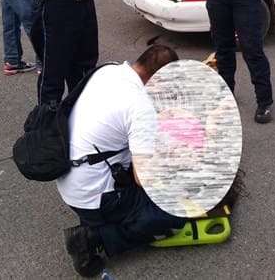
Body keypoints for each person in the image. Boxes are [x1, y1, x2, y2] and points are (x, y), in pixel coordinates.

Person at [57, 44, 186, 277]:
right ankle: (93, 239)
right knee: (174, 212)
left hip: (70, 179)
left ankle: (98, 223)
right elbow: (142, 179)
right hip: (94, 196)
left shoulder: (108, 70)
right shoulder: (139, 106)